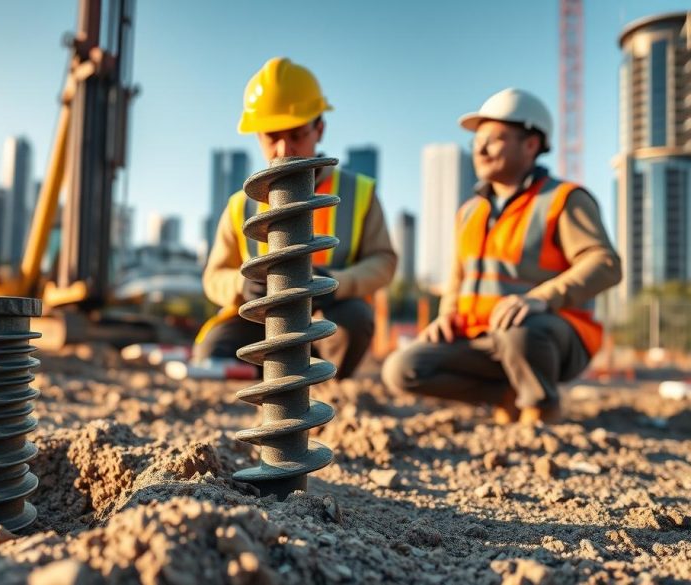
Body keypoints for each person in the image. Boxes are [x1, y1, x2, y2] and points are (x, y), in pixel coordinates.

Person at [382, 88, 622, 423]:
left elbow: (606, 264)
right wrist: (447, 316)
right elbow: (458, 280)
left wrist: (539, 299)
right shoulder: (469, 212)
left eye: (494, 139)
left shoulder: (563, 199)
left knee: (519, 329)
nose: (480, 148)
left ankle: (541, 407)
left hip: (549, 337)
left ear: (531, 145)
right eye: (476, 141)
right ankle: (508, 397)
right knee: (401, 369)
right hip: (482, 338)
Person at [194, 57, 397, 379]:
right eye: (271, 137)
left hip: (325, 319)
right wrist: (242, 284)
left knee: (355, 320)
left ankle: (323, 383)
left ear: (320, 128)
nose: (284, 149)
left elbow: (383, 262)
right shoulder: (240, 204)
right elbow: (213, 276)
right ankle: (269, 384)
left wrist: (331, 282)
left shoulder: (358, 193)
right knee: (213, 351)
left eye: (297, 134)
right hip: (258, 321)